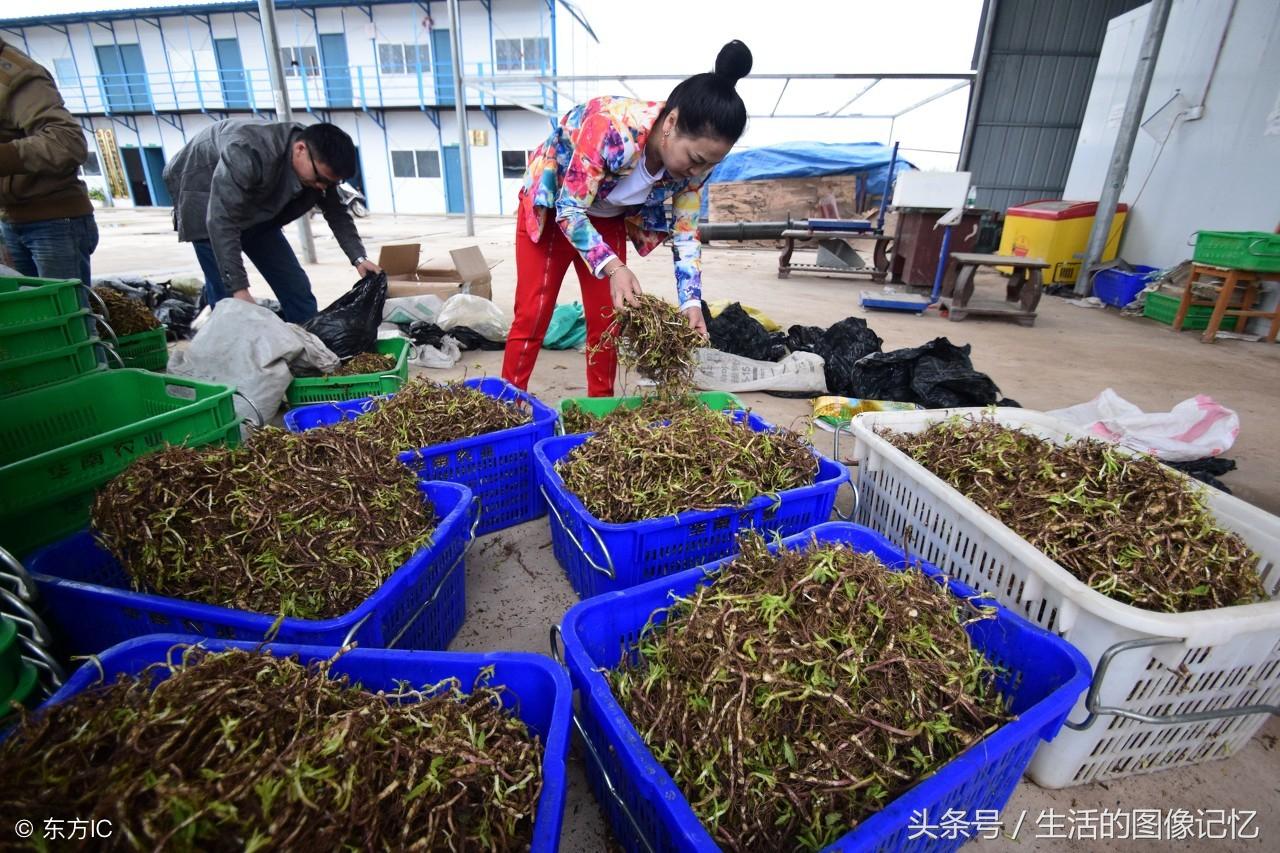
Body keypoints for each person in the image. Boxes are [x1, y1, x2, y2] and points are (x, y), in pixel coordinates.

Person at [502, 40, 753, 397]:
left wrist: (691, 303)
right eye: (696, 158)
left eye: (710, 163)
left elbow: (685, 234)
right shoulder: (611, 129)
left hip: (606, 218)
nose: (699, 171)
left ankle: (599, 411)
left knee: (608, 321)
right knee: (532, 314)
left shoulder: (694, 170)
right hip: (556, 207)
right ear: (671, 122)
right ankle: (507, 405)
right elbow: (570, 208)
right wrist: (615, 266)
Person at [163, 119, 380, 323]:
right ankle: (232, 356)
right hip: (203, 198)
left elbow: (337, 213)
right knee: (227, 299)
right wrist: (239, 289)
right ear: (300, 149)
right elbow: (222, 221)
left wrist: (359, 258)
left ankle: (310, 348)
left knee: (296, 288)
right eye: (320, 179)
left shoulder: (318, 162)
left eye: (329, 183)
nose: (323, 187)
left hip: (256, 213)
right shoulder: (247, 150)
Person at [0, 37, 97, 285]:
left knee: (66, 317)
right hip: (12, 221)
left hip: (53, 223)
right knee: (33, 317)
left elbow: (67, 141)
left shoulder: (17, 74)